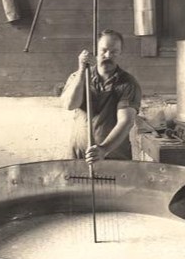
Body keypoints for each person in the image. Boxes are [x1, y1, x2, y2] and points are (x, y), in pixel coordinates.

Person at [61, 29, 142, 164]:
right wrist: (82, 71)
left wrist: (104, 149)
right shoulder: (78, 77)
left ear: (120, 52)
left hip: (114, 158)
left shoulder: (128, 83)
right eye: (104, 50)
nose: (108, 55)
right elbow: (70, 105)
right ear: (95, 50)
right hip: (80, 156)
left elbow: (126, 122)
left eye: (114, 51)